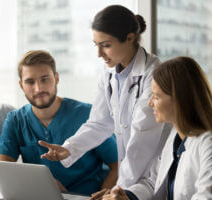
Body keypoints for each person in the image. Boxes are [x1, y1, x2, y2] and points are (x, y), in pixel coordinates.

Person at [38, 4, 171, 198]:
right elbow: (99, 123)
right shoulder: (108, 73)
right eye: (96, 45)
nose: (99, 54)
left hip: (153, 174)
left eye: (106, 45)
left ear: (130, 38)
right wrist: (69, 148)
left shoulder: (154, 74)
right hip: (130, 180)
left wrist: (118, 190)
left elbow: (141, 141)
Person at [102, 56, 212, 200]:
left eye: (156, 97)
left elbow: (208, 197)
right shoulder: (175, 136)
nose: (150, 103)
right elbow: (153, 182)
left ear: (179, 99)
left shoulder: (210, 144)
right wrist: (127, 196)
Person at [0, 50, 118, 195]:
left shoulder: (88, 114)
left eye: (45, 79)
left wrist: (104, 197)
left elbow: (118, 165)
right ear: (21, 85)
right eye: (30, 82)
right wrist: (42, 184)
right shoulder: (15, 120)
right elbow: (1, 168)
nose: (38, 88)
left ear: (56, 78)